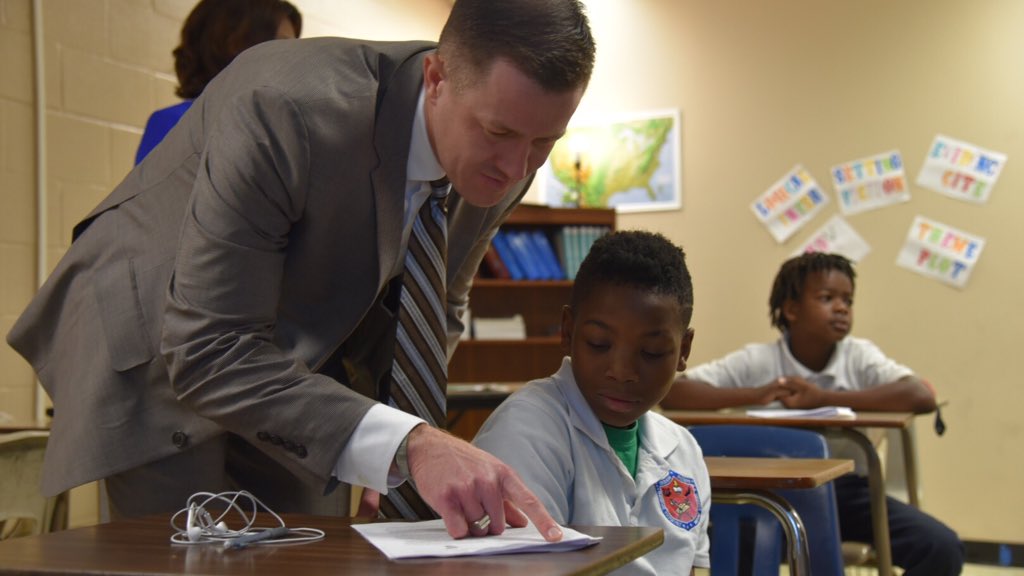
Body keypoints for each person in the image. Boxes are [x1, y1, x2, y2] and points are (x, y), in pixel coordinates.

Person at [7, 0, 596, 542]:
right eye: (499, 133)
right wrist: (405, 442)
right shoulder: (285, 106)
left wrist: (398, 441)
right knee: (190, 550)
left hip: (293, 356)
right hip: (161, 340)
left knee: (300, 545)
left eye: (546, 140)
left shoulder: (507, 152)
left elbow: (436, 304)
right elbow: (207, 347)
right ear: (437, 80)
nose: (519, 166)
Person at [661, 252, 963, 575]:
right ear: (791, 310)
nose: (842, 307)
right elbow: (677, 392)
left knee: (941, 547)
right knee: (733, 552)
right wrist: (758, 394)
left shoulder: (858, 357)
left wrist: (823, 398)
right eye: (827, 297)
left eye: (848, 299)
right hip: (769, 497)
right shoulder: (760, 361)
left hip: (848, 496)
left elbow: (920, 396)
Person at [474, 230, 710, 575]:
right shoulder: (526, 430)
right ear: (568, 331)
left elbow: (693, 567)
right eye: (599, 343)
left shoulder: (683, 449)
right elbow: (522, 567)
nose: (622, 371)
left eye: (651, 352)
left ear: (683, 351)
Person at [134, 0, 302, 165]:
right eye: (280, 45)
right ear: (233, 45)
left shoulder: (283, 129)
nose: (290, 60)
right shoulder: (175, 124)